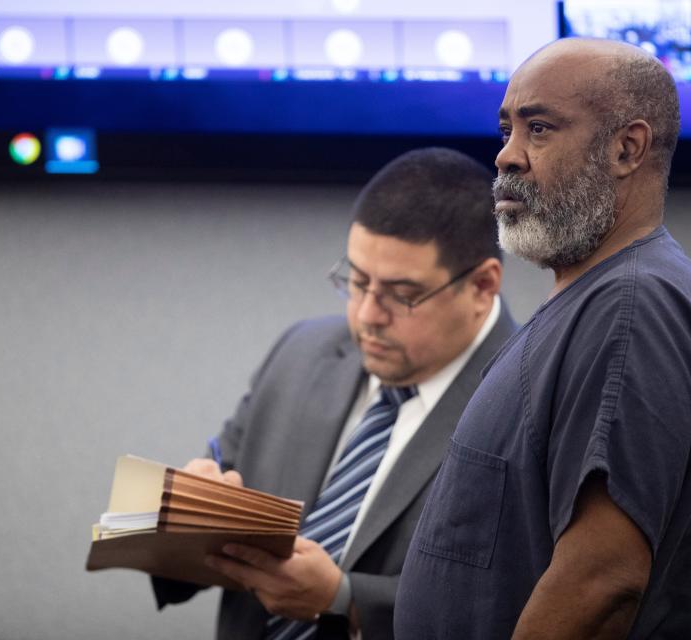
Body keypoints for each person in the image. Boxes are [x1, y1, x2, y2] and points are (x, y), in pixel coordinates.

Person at [394, 39, 691, 639]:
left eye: (539, 128)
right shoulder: (598, 300)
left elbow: (603, 581)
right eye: (505, 129)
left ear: (625, 148)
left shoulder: (634, 308)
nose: (506, 156)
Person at [152, 147, 517, 640]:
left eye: (401, 295)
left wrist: (344, 601)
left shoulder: (529, 404)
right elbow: (209, 514)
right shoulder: (301, 352)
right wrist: (188, 520)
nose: (367, 315)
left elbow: (512, 606)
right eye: (357, 281)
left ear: (481, 287)